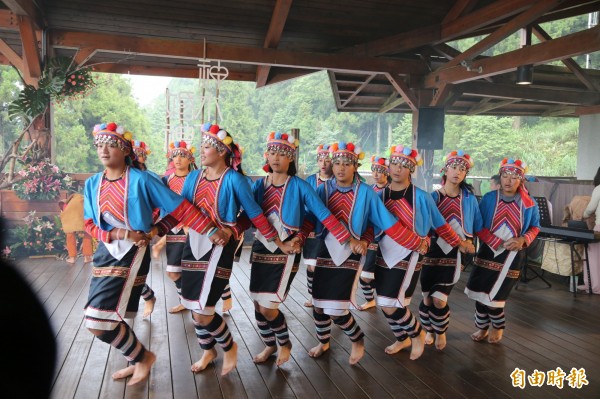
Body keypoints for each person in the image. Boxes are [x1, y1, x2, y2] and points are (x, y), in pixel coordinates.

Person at [83, 122, 224, 385]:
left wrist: (208, 228)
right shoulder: (93, 183)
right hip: (106, 251)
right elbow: (89, 224)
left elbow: (179, 207)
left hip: (133, 253)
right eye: (99, 145)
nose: (103, 150)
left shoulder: (141, 179)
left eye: (110, 144)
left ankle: (143, 358)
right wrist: (118, 234)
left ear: (125, 150)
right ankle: (137, 359)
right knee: (115, 314)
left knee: (98, 320)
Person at [178, 123, 289, 376]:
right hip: (193, 243)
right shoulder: (194, 177)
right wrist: (154, 227)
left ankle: (229, 347)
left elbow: (254, 215)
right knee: (195, 308)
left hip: (220, 247)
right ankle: (208, 350)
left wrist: (274, 240)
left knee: (204, 311)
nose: (201, 151)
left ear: (220, 151)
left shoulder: (235, 180)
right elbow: (181, 208)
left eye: (206, 147)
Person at [309, 141, 427, 365]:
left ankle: (357, 339)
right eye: (337, 164)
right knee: (318, 302)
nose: (341, 168)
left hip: (350, 253)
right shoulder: (321, 189)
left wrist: (414, 241)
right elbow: (310, 218)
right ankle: (323, 341)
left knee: (336, 308)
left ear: (355, 166)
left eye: (347, 163)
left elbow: (383, 222)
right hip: (324, 249)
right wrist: (295, 237)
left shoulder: (366, 192)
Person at [249, 132, 354, 366]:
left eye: (282, 154)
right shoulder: (259, 185)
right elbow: (249, 213)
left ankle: (284, 343)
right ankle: (269, 345)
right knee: (257, 303)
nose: (276, 158)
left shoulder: (299, 185)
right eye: (273, 153)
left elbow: (322, 212)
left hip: (286, 250)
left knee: (269, 307)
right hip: (260, 248)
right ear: (267, 155)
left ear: (291, 159)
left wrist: (346, 238)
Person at [373, 145, 468, 360]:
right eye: (394, 164)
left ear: (411, 169)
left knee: (390, 301)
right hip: (384, 250)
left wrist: (459, 242)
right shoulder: (378, 195)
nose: (397, 169)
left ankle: (417, 334)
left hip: (411, 250)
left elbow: (440, 224)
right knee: (390, 303)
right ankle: (402, 337)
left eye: (403, 166)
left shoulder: (422, 197)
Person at [465, 158, 540, 344]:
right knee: (480, 291)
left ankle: (497, 327)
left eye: (514, 177)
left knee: (497, 294)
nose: (508, 181)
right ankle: (482, 327)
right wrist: (492, 240)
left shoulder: (529, 204)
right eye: (505, 176)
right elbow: (478, 223)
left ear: (520, 180)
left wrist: (522, 239)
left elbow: (535, 227)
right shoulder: (490, 198)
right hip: (488, 250)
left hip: (513, 255)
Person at [419, 150, 480, 350]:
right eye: (454, 167)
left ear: (465, 174)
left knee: (439, 300)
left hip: (454, 253)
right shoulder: (432, 197)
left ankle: (441, 332)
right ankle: (428, 329)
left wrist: (470, 243)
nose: (457, 172)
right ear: (445, 170)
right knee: (427, 298)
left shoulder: (469, 199)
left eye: (462, 169)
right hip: (431, 252)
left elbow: (476, 225)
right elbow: (423, 225)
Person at [161, 140, 197, 314]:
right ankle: (186, 300)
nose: (178, 159)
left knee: (195, 269)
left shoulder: (196, 178)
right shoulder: (167, 180)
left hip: (194, 229)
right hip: (173, 228)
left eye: (182, 155)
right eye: (175, 155)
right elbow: (162, 204)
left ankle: (196, 300)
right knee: (173, 271)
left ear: (190, 158)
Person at [357, 155, 390, 311]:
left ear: (386, 172)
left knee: (372, 273)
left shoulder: (391, 191)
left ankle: (377, 299)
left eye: (380, 171)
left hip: (388, 237)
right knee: (365, 274)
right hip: (372, 235)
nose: (376, 174)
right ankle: (371, 300)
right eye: (374, 170)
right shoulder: (369, 190)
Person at [302, 143, 333, 307]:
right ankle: (312, 296)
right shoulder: (310, 180)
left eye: (327, 160)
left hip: (330, 229)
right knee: (311, 265)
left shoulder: (337, 181)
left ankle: (325, 296)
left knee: (325, 265)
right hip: (312, 227)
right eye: (320, 160)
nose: (323, 163)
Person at [59, 193, 93, 264]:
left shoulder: (67, 203)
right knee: (87, 234)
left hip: (70, 220)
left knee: (70, 236)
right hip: (83, 218)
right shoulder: (83, 200)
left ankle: (72, 258)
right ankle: (87, 257)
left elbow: (63, 212)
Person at [582, 166, 600, 294]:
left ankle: (594, 286)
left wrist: (583, 215)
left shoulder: (599, 189)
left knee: (592, 255)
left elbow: (590, 209)